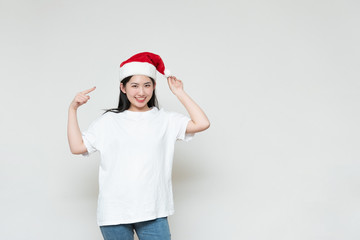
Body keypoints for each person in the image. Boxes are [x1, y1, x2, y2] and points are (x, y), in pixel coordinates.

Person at [67, 52, 210, 240]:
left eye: (146, 85)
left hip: (153, 211)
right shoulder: (109, 121)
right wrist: (73, 109)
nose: (141, 92)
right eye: (134, 86)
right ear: (123, 88)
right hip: (114, 212)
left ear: (154, 87)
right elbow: (77, 147)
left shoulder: (165, 119)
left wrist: (179, 92)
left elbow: (202, 123)